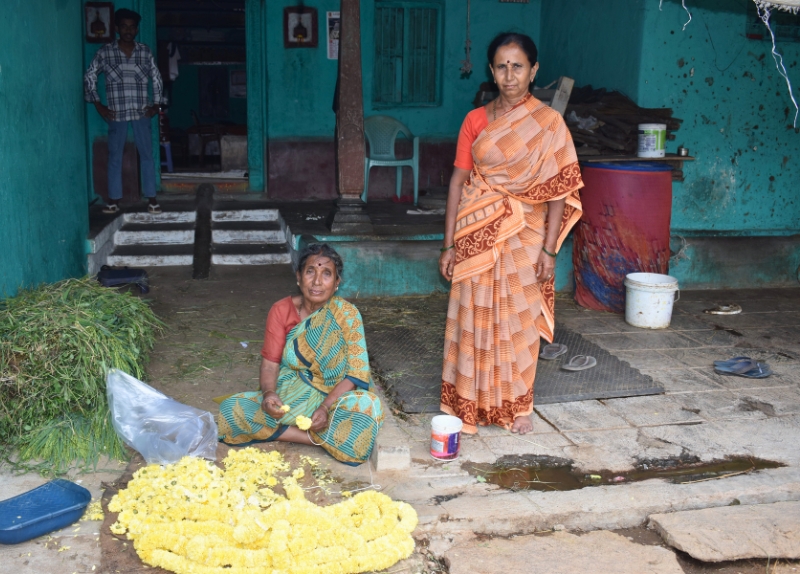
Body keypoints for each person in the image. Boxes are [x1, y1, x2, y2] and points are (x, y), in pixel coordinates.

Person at [438, 32, 584, 436]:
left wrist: (550, 251)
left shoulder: (549, 124)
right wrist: (448, 243)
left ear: (534, 70)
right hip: (476, 230)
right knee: (472, 316)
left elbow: (559, 191)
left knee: (519, 322)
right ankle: (467, 401)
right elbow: (457, 181)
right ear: (491, 71)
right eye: (501, 66)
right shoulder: (476, 121)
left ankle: (519, 405)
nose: (509, 75)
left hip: (527, 236)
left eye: (518, 66)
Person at [217, 244, 383, 466]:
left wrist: (325, 407)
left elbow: (356, 374)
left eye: (326, 274)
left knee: (367, 409)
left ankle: (285, 430)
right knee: (230, 411)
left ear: (336, 283)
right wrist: (268, 394)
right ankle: (319, 439)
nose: (316, 282)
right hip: (292, 390)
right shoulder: (281, 310)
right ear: (298, 277)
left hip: (337, 395)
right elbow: (270, 365)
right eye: (310, 271)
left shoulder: (348, 315)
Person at [84, 8, 164, 215]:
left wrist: (156, 104)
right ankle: (113, 201)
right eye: (124, 26)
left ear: (136, 30)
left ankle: (152, 200)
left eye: (132, 27)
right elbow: (90, 76)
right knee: (114, 156)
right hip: (116, 113)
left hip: (141, 112)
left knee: (147, 155)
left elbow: (156, 78)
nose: (128, 30)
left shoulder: (144, 51)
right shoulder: (105, 52)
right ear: (118, 29)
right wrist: (98, 104)